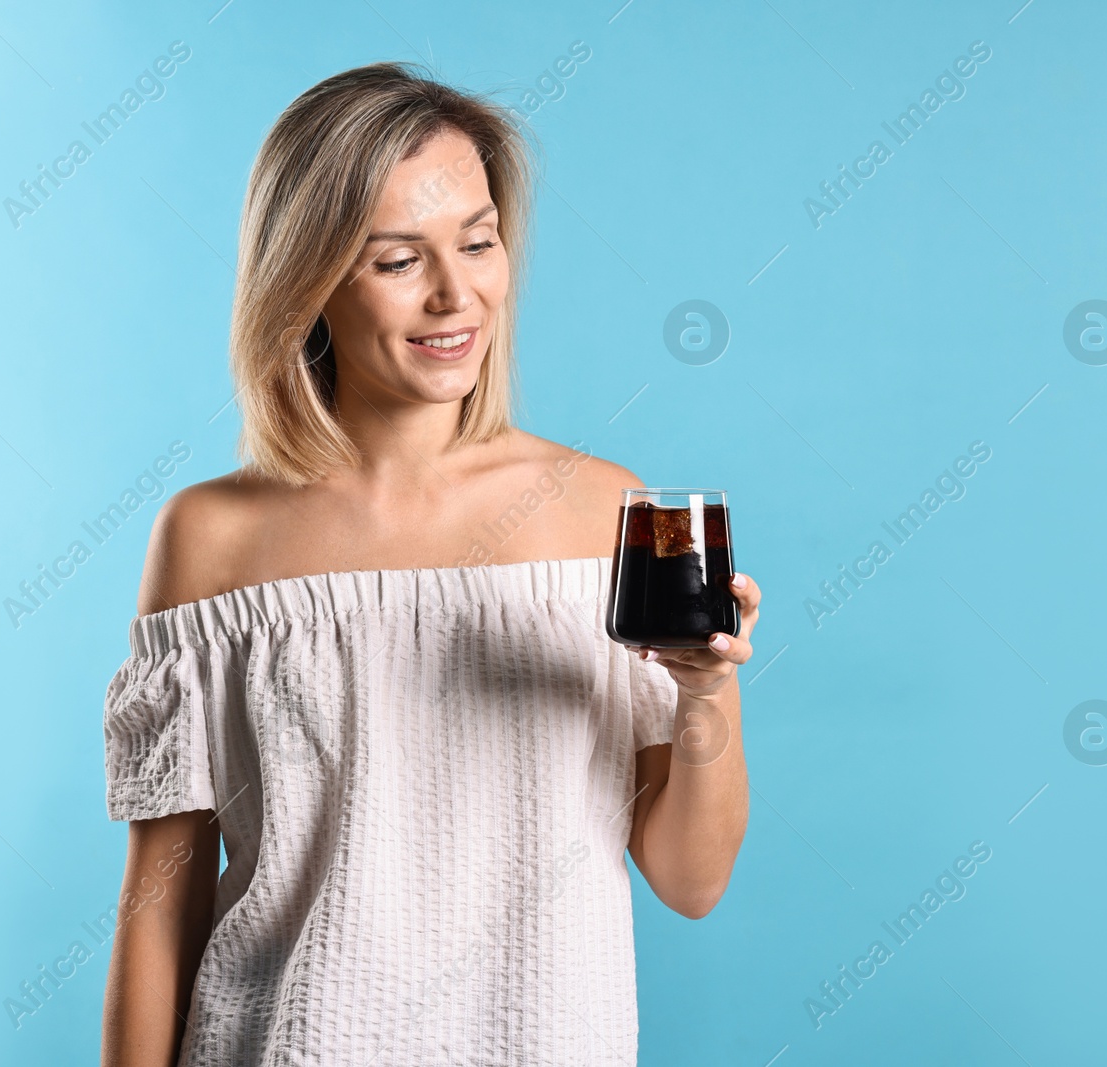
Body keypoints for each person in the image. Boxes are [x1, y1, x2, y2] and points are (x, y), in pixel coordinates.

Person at [99, 61, 757, 1066]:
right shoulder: (210, 535)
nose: (457, 295)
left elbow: (690, 878)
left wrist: (704, 692)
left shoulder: (602, 511)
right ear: (307, 275)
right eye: (397, 258)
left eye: (479, 242)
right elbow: (160, 899)